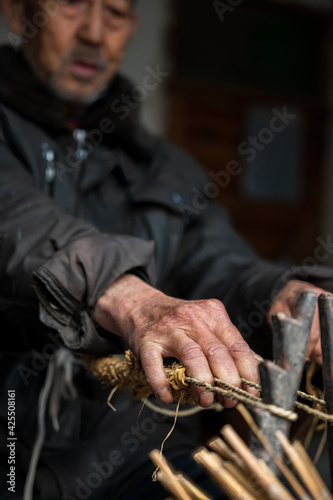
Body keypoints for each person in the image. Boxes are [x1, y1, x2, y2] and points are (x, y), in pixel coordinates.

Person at [0, 1, 331, 499]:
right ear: (15, 13)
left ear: (132, 27)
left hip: (140, 463)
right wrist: (128, 296)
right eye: (71, 4)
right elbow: (15, 219)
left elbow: (216, 260)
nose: (93, 32)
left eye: (114, 12)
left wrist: (283, 294)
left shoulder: (165, 168)